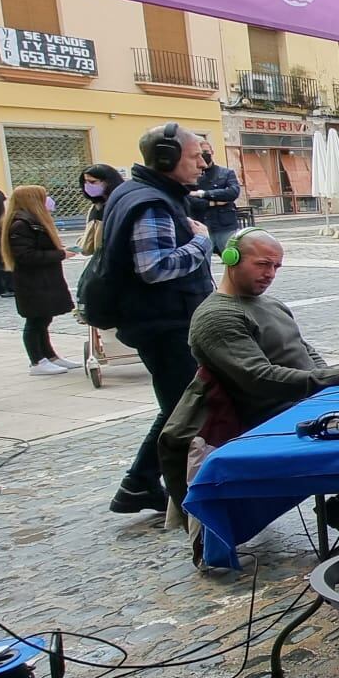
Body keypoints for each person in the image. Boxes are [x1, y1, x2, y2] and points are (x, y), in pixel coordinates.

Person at [158, 230, 339, 536]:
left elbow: (305, 351)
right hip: (271, 418)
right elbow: (259, 379)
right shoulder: (218, 316)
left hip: (303, 401)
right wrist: (333, 377)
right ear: (231, 260)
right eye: (262, 264)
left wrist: (338, 383)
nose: (269, 274)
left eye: (276, 267)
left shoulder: (270, 304)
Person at [95, 122, 214, 515]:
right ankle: (180, 494)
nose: (203, 163)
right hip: (163, 323)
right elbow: (155, 266)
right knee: (186, 409)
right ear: (167, 158)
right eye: (196, 156)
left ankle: (139, 483)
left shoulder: (143, 193)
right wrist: (201, 242)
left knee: (178, 405)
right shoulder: (151, 203)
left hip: (161, 320)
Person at [2, 184, 78, 376]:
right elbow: (25, 256)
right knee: (35, 320)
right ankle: (37, 360)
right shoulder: (21, 224)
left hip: (44, 279)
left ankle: (50, 356)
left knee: (44, 318)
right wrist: (59, 254)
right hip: (33, 281)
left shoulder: (32, 221)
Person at [189, 138, 242, 254]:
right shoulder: (192, 175)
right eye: (200, 153)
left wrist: (203, 194)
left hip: (225, 226)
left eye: (206, 152)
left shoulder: (226, 173)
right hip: (202, 225)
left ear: (212, 152)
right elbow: (189, 199)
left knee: (233, 259)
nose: (204, 156)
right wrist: (213, 202)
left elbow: (233, 192)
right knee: (201, 262)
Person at [78, 164, 125, 257]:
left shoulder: (120, 204)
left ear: (108, 182)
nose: (87, 186)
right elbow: (88, 245)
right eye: (85, 182)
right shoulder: (95, 207)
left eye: (92, 182)